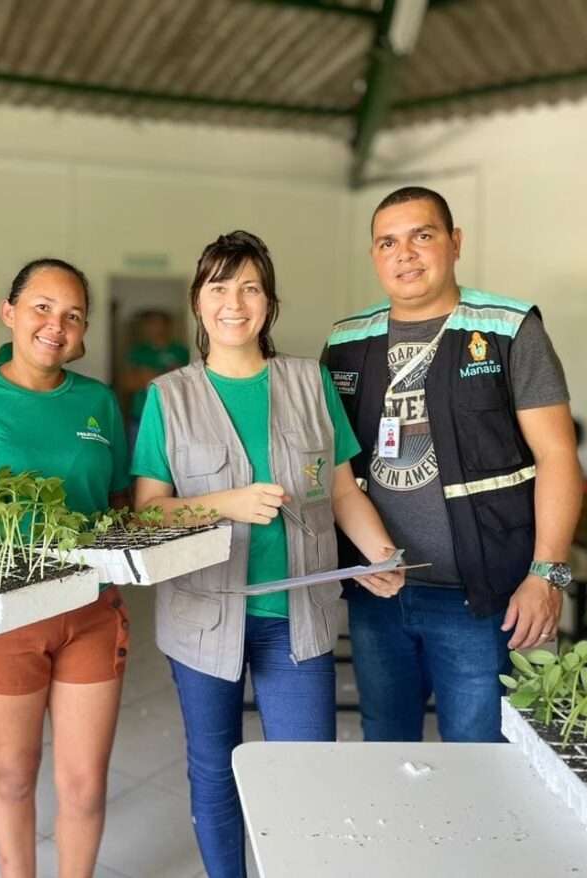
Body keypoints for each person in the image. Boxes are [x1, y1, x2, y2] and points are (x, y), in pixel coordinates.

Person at [132, 231, 404, 878]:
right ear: (198, 303)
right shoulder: (169, 396)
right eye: (219, 287)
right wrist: (225, 503)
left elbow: (342, 489)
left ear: (269, 303)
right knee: (215, 767)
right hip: (204, 614)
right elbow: (148, 512)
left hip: (298, 616)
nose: (235, 301)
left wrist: (380, 551)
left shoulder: (309, 381)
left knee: (303, 770)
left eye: (250, 286)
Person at [322, 186, 583, 743]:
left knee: (483, 756)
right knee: (386, 748)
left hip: (483, 598)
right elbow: (334, 469)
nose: (405, 253)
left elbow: (558, 455)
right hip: (379, 594)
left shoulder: (508, 330)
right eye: (387, 242)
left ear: (455, 242)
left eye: (423, 235)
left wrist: (548, 574)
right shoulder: (346, 342)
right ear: (374, 256)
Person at [0, 258, 129, 878]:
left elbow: (119, 500)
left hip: (90, 613)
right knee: (14, 774)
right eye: (43, 307)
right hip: (1, 609)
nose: (57, 325)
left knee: (84, 786)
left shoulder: (99, 401)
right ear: (10, 313)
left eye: (74, 316)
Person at [120, 310, 189, 447]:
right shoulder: (138, 352)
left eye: (159, 324)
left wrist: (148, 376)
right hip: (141, 415)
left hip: (172, 416)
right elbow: (128, 383)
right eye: (150, 324)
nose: (155, 328)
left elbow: (184, 383)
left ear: (168, 326)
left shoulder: (181, 351)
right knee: (139, 459)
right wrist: (166, 375)